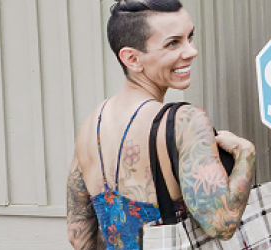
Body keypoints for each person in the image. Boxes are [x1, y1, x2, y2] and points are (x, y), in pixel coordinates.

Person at [66, 1, 257, 249]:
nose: (191, 51)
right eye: (173, 43)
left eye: (190, 37)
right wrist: (246, 153)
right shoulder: (185, 121)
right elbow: (222, 224)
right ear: (131, 58)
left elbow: (78, 235)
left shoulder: (90, 126)